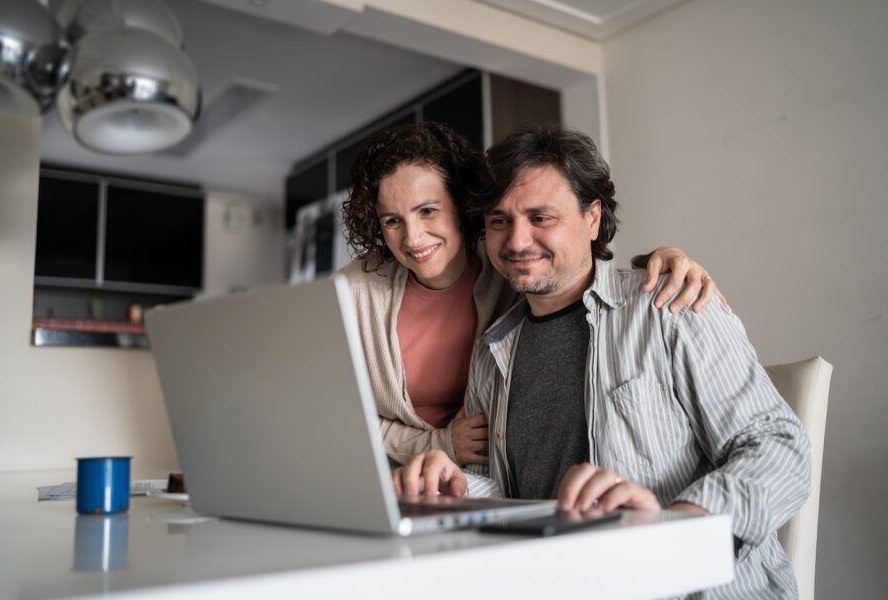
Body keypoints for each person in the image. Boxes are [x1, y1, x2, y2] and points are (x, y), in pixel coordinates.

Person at [392, 126, 811, 598]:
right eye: (498, 221)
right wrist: (459, 489)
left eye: (541, 217)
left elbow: (779, 449)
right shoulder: (492, 351)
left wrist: (676, 529)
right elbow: (520, 493)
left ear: (592, 218)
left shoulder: (671, 303)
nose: (517, 240)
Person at [339, 121, 723, 468]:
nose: (412, 237)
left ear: (462, 206)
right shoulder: (355, 293)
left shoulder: (513, 271)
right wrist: (435, 446)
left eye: (428, 211)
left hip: (483, 478)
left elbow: (578, 272)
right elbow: (326, 413)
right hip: (399, 474)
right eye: (392, 221)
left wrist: (661, 259)